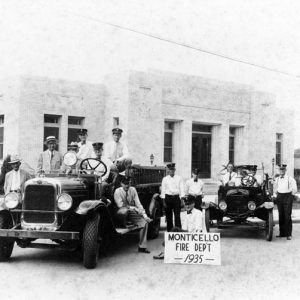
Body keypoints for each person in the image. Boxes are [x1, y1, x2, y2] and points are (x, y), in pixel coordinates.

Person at [114, 176, 152, 253]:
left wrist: (145, 216)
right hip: (121, 213)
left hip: (131, 212)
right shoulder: (117, 191)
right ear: (121, 184)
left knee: (144, 224)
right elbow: (120, 205)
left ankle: (142, 247)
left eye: (128, 183)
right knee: (124, 210)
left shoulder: (133, 190)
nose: (127, 186)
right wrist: (134, 208)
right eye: (125, 184)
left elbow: (138, 203)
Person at [273, 164, 297, 240]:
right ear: (279, 171)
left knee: (287, 215)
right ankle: (282, 233)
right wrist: (275, 195)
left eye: (283, 169)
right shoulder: (277, 179)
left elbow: (294, 189)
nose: (281, 171)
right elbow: (275, 188)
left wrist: (291, 197)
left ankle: (288, 234)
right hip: (279, 196)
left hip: (288, 197)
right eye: (280, 169)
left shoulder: (290, 179)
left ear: (285, 170)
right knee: (281, 215)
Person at [160, 163, 185, 231]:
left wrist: (182, 200)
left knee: (177, 215)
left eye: (173, 170)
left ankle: (178, 231)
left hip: (176, 198)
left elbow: (182, 189)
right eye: (170, 170)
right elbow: (163, 191)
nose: (171, 171)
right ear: (168, 170)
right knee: (168, 216)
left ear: (175, 170)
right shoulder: (165, 179)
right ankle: (170, 231)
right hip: (168, 198)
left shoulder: (179, 178)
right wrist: (164, 201)